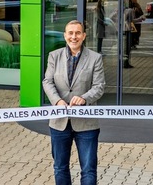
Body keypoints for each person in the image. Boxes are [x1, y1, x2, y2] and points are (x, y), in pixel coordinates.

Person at [42, 20, 105, 185]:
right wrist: (57, 101)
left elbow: (99, 87)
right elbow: (47, 82)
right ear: (65, 35)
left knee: (88, 170)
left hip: (86, 124)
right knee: (60, 168)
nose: (74, 37)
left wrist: (84, 98)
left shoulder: (95, 58)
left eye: (78, 33)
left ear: (84, 36)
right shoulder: (54, 56)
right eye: (70, 33)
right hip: (59, 123)